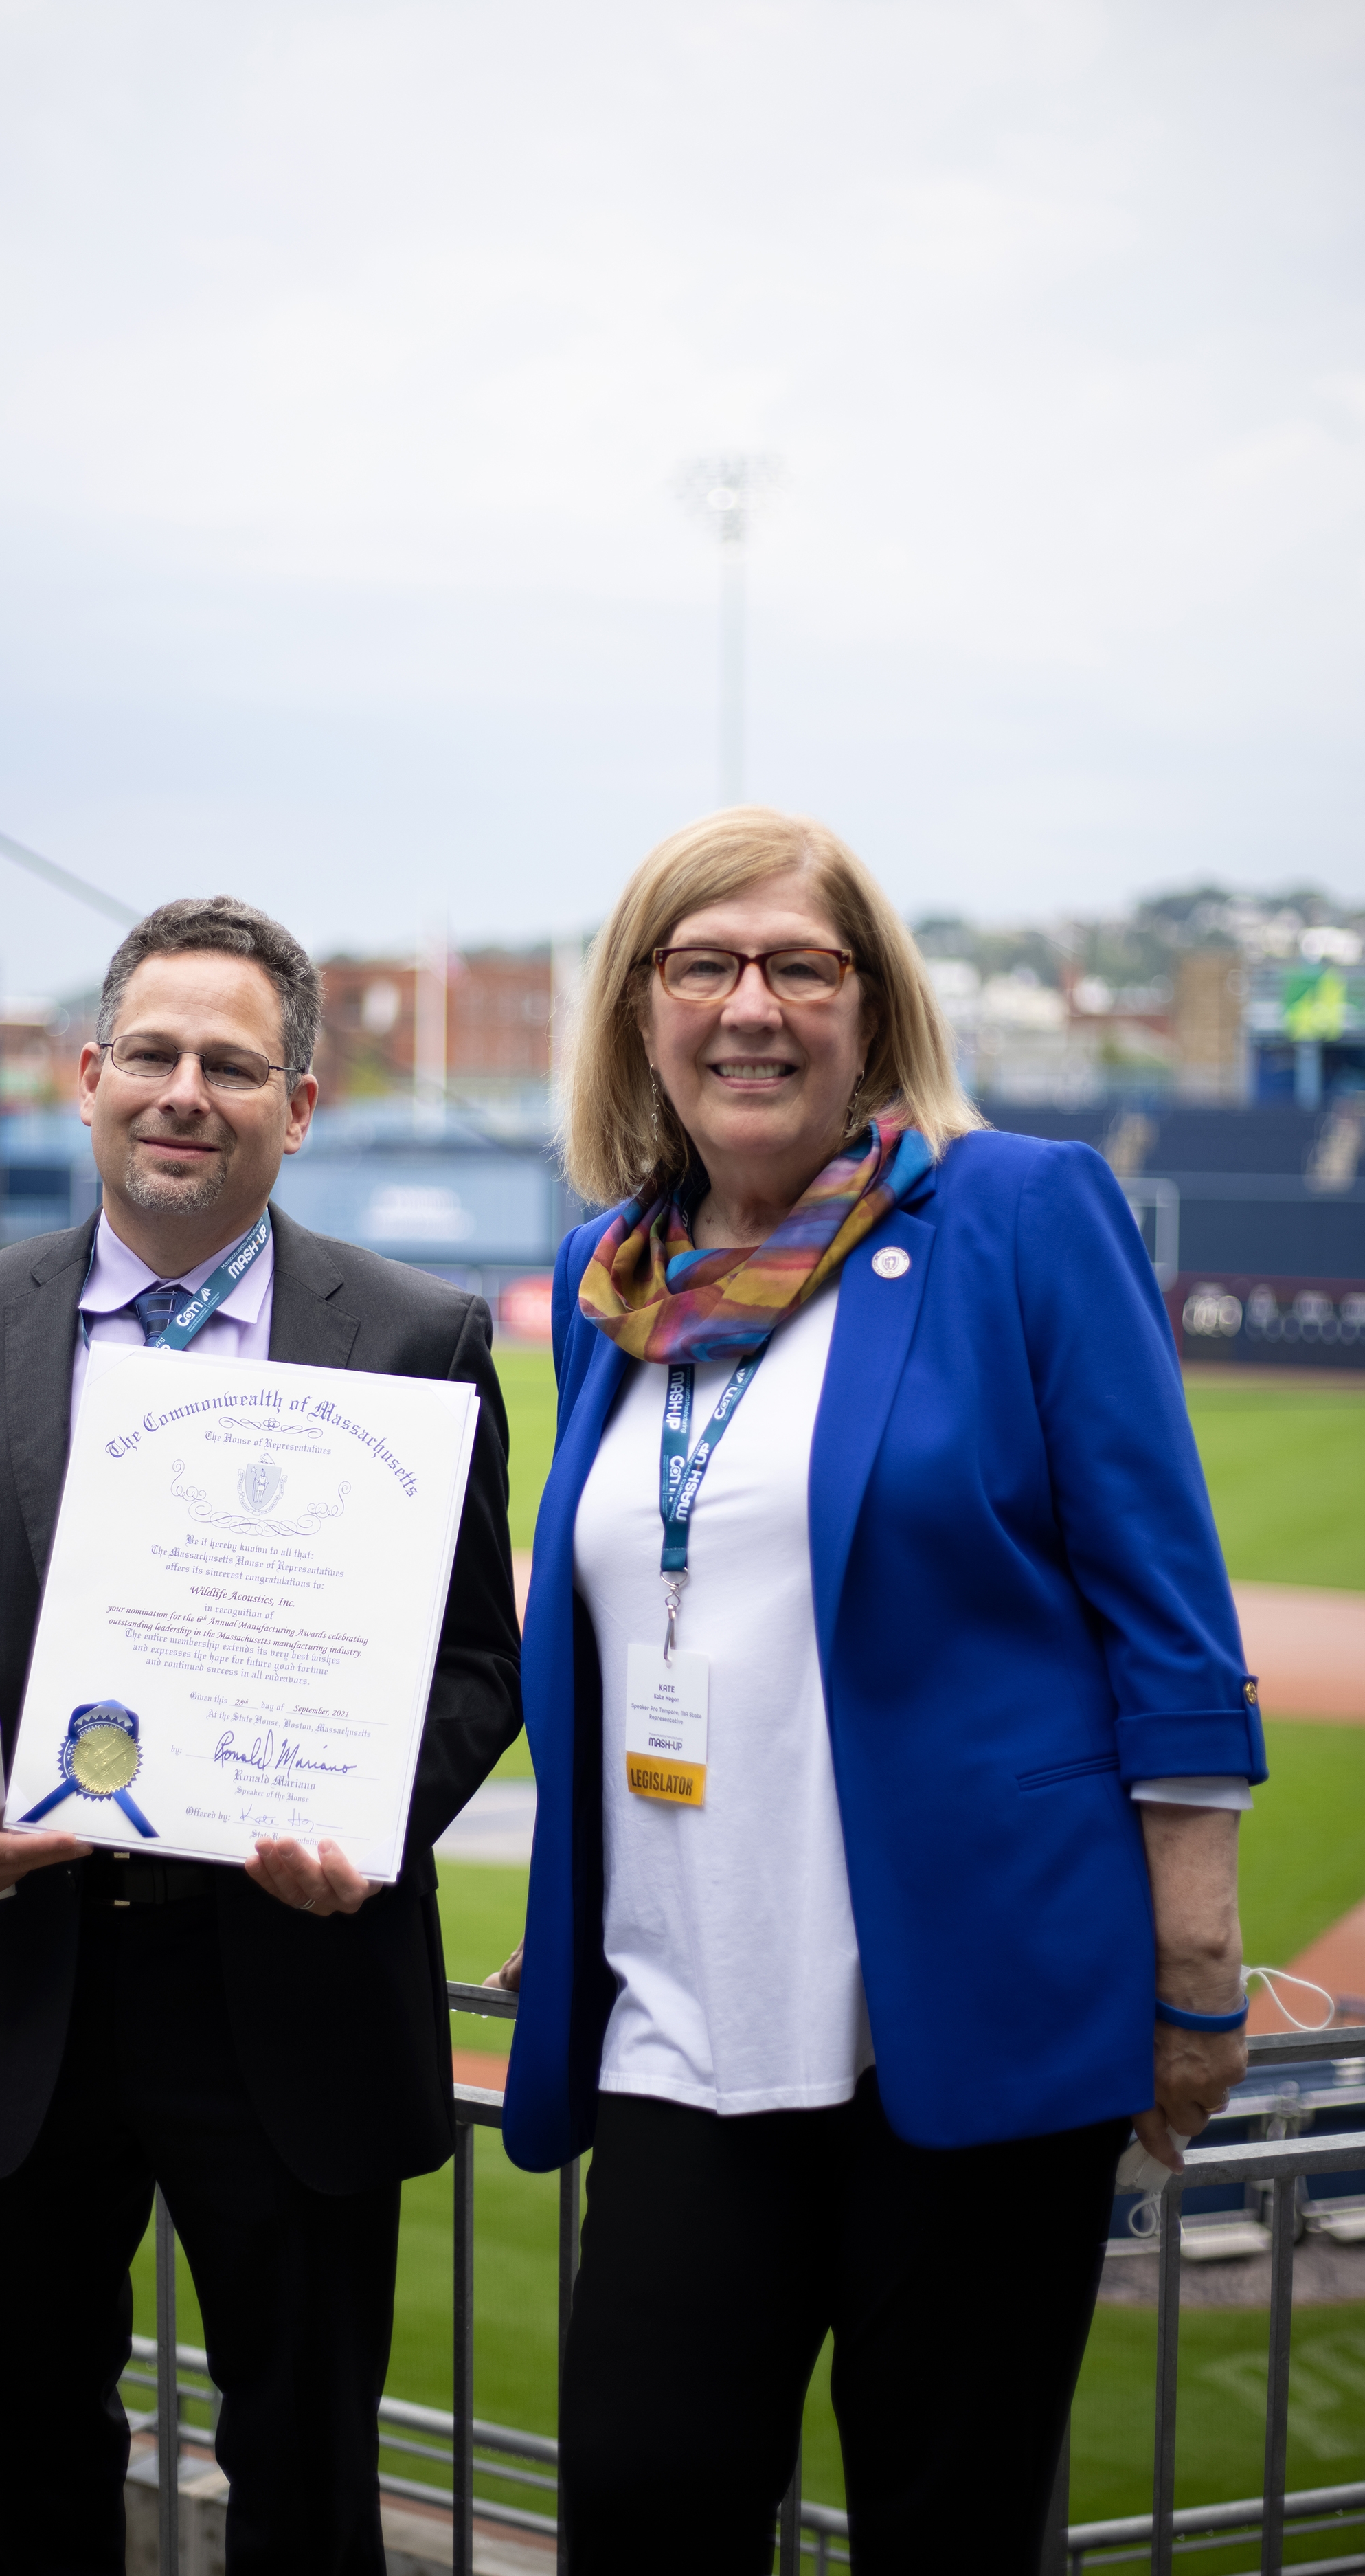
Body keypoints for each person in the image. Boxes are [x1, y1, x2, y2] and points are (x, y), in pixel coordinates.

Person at [494, 811, 1264, 2575]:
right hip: (682, 2030)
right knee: (642, 2509)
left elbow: (1165, 1600)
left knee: (950, 2536)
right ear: (640, 1013)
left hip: (968, 2029)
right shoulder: (618, 1273)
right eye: (703, 966)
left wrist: (1195, 1962)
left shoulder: (1015, 1216)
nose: (750, 1007)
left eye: (801, 966)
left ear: (873, 1006)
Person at [0, 896, 521, 2576]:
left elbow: (473, 1664)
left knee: (307, 2489)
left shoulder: (420, 1335)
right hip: (22, 1989)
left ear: (301, 1105)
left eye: (232, 1064)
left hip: (293, 1990)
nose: (183, 1093)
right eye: (150, 1053)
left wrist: (368, 1820)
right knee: (29, 2478)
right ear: (89, 1078)